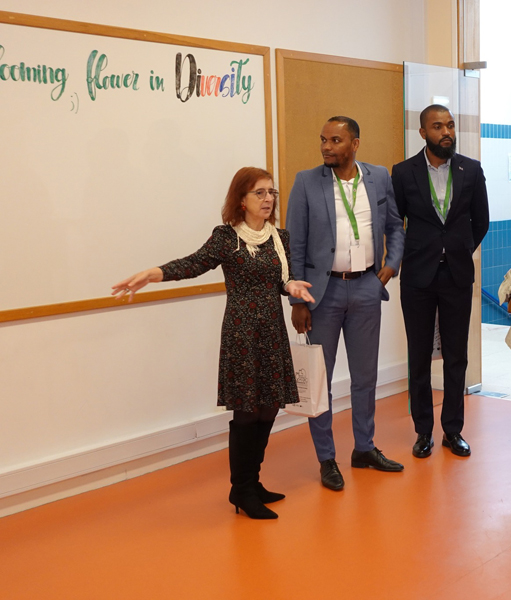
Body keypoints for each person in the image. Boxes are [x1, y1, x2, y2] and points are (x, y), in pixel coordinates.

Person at [111, 167, 314, 520]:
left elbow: (285, 278)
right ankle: (242, 489)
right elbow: (193, 264)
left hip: (271, 332)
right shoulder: (226, 238)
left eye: (271, 192)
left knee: (269, 408)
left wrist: (292, 286)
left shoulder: (279, 237)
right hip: (242, 333)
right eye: (260, 193)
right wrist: (153, 273)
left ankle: (252, 482)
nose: (268, 199)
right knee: (247, 411)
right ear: (241, 200)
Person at [286, 116, 406, 492]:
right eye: (323, 139)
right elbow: (295, 244)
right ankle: (326, 458)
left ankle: (364, 448)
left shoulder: (379, 177)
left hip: (367, 287)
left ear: (355, 144)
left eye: (335, 140)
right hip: (323, 293)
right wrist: (298, 300)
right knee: (320, 379)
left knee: (365, 377)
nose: (326, 146)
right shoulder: (306, 182)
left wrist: (390, 266)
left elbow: (395, 226)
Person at [391, 104, 490, 459]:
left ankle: (453, 430)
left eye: (450, 125)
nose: (446, 132)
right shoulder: (403, 172)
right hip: (417, 276)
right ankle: (423, 431)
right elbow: (395, 223)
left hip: (456, 275)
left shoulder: (471, 170)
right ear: (423, 133)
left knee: (456, 356)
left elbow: (481, 221)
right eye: (437, 126)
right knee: (418, 356)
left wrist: (457, 250)